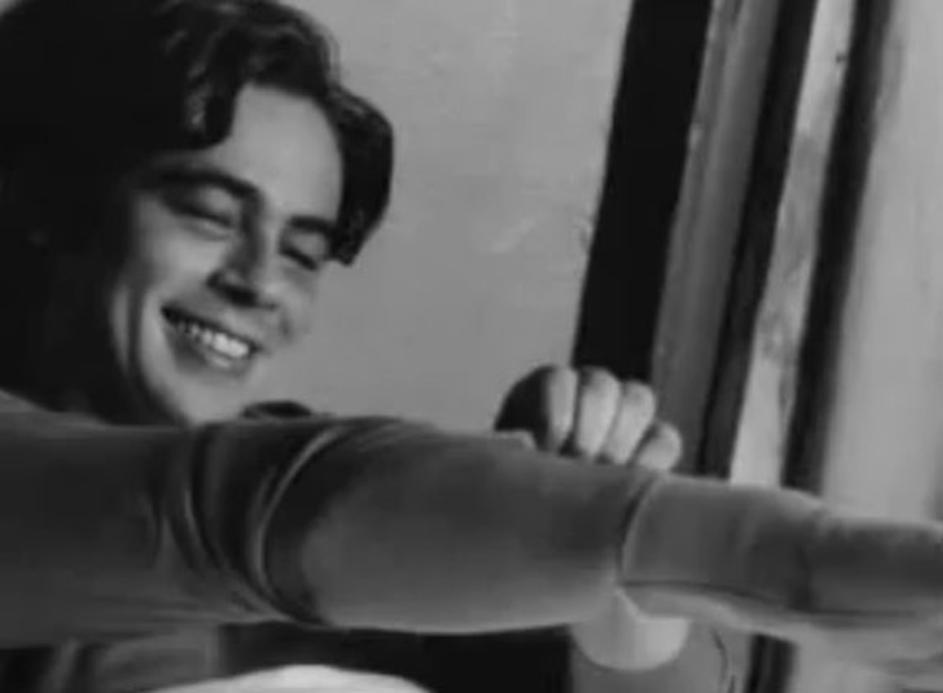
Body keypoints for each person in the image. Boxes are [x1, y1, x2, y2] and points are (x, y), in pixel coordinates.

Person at [2, 1, 943, 692]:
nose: (258, 282)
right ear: (44, 203)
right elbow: (236, 516)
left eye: (302, 252)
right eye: (209, 213)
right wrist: (758, 552)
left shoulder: (339, 520)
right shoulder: (269, 508)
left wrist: (592, 553)